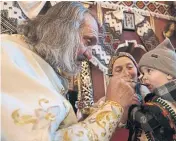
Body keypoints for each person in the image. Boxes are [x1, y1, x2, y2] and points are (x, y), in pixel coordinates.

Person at [1, 2, 136, 141]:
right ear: (62, 29)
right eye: (87, 41)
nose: (89, 56)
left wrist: (90, 117)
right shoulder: (7, 53)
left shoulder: (40, 63)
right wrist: (113, 106)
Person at [77, 52, 150, 140]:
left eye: (130, 67)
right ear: (111, 77)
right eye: (118, 70)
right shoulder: (103, 103)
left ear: (137, 71)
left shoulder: (148, 93)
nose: (126, 73)